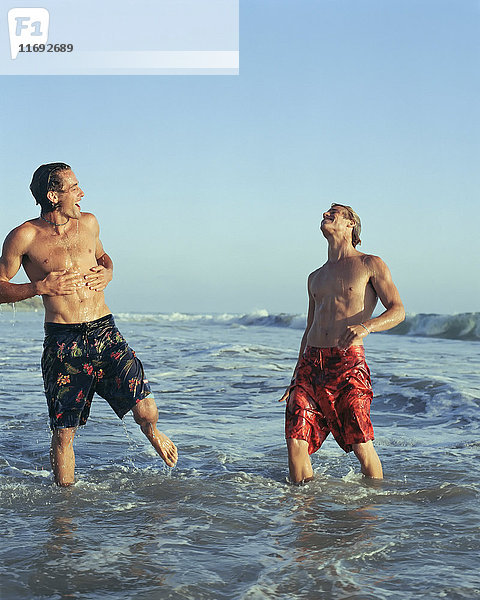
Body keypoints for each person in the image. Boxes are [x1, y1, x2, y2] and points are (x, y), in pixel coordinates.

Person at [0, 162, 178, 486]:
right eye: (74, 188)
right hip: (63, 339)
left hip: (104, 330)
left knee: (146, 409)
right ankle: (64, 511)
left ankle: (152, 433)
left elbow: (104, 257)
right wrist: (39, 288)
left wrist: (109, 272)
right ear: (53, 196)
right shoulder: (23, 237)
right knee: (64, 432)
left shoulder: (90, 223)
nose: (82, 193)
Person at [280, 204, 405, 484]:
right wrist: (295, 375)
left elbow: (398, 310)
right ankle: (304, 514)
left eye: (334, 211)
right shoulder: (315, 277)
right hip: (310, 366)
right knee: (295, 439)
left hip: (348, 364)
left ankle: (371, 509)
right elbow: (309, 328)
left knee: (361, 444)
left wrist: (367, 326)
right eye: (325, 211)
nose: (326, 213)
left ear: (351, 224)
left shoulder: (370, 264)